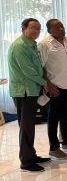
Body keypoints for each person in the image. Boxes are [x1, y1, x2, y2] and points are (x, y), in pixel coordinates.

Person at [8, 18, 50, 172]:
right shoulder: (19, 46)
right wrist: (44, 82)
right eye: (33, 28)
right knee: (26, 127)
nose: (36, 31)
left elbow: (37, 66)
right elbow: (28, 70)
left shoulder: (31, 45)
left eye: (38, 28)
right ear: (23, 28)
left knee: (30, 126)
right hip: (23, 92)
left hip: (31, 90)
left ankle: (31, 155)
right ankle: (26, 162)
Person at [39, 19, 67, 159]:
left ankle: (66, 142)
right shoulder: (45, 44)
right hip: (55, 87)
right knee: (53, 117)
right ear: (49, 30)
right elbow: (41, 67)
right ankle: (54, 147)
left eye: (62, 26)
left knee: (66, 115)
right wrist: (49, 85)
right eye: (57, 27)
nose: (61, 29)